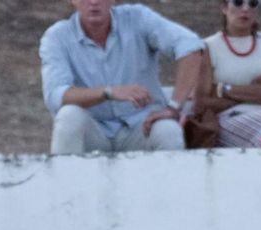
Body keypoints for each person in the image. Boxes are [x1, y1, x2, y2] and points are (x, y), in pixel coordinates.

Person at [40, 0, 207, 155]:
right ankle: (65, 186)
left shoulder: (137, 18)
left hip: (142, 125)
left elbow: (191, 45)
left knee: (168, 130)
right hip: (94, 129)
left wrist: (174, 107)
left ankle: (168, 187)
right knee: (69, 116)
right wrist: (108, 92)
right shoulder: (57, 37)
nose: (94, 2)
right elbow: (56, 95)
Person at [198, 0, 261, 148]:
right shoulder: (207, 47)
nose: (245, 8)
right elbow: (201, 101)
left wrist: (222, 89)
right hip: (230, 121)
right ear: (224, 7)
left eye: (252, 3)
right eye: (238, 2)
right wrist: (254, 89)